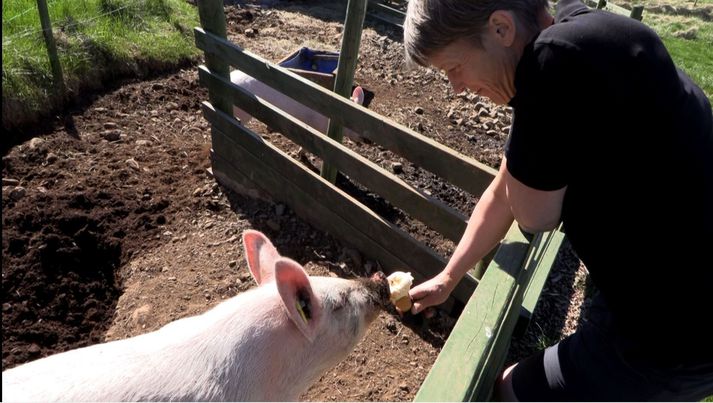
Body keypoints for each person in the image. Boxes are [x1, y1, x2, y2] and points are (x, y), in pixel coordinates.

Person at [402, 0, 713, 400]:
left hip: (672, 333)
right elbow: (503, 191)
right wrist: (449, 277)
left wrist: (523, 111)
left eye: (454, 68)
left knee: (508, 391)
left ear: (501, 29)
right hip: (670, 288)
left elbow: (533, 214)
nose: (457, 87)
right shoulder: (580, 34)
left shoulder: (552, 63)